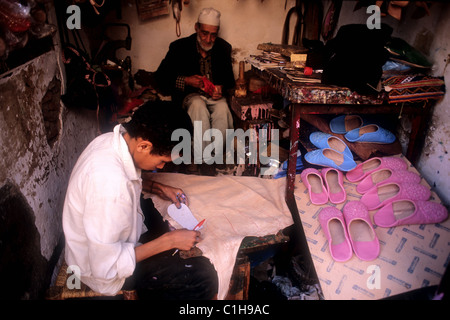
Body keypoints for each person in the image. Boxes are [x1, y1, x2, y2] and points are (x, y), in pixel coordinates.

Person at [62, 100, 218, 299]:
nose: (161, 167)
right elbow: (106, 267)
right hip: (100, 272)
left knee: (161, 216)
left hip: (99, 240)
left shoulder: (111, 140)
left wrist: (156, 187)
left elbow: (125, 180)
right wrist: (169, 241)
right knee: (203, 278)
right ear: (144, 145)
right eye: (161, 161)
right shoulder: (110, 185)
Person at [154, 7, 236, 174]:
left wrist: (220, 88)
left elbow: (229, 81)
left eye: (213, 34)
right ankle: (204, 160)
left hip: (213, 98)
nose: (208, 39)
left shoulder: (223, 48)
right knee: (198, 106)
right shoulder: (179, 47)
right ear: (197, 28)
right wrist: (185, 80)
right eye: (204, 33)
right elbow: (160, 78)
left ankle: (215, 157)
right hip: (189, 97)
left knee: (222, 109)